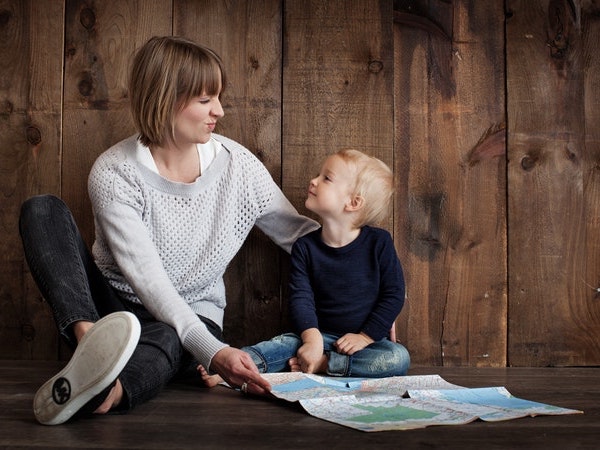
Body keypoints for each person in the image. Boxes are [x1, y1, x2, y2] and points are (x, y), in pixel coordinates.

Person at [19, 35, 318, 425]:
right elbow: (149, 281)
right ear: (166, 98)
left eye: (218, 97)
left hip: (191, 316)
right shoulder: (114, 173)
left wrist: (369, 281)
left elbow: (300, 236)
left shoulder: (238, 167)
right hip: (110, 309)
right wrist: (214, 354)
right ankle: (91, 345)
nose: (220, 111)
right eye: (205, 99)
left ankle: (107, 392)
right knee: (42, 209)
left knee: (168, 335)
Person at [201, 149, 409, 386]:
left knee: (398, 358)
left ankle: (323, 365)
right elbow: (301, 298)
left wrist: (365, 337)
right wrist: (311, 340)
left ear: (353, 202)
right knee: (281, 345)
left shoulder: (379, 243)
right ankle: (230, 369)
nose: (314, 181)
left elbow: (393, 294)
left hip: (365, 344)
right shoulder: (305, 247)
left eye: (326, 178)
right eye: (318, 175)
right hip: (317, 335)